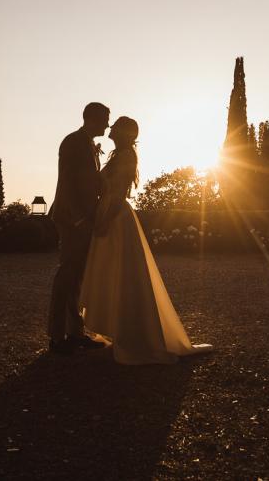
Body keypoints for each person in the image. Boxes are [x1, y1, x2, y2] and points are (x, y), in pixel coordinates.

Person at [79, 116, 212, 364]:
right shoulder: (119, 155)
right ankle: (118, 328)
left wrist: (105, 219)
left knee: (123, 273)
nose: (110, 128)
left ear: (125, 133)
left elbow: (118, 192)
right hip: (109, 211)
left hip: (115, 215)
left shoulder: (127, 156)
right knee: (112, 271)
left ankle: (132, 334)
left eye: (115, 126)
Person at [46, 101, 111, 355]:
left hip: (83, 217)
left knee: (77, 276)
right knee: (67, 273)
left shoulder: (87, 144)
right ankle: (57, 335)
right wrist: (78, 218)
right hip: (73, 218)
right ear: (93, 118)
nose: (108, 124)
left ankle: (74, 332)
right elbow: (69, 181)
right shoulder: (73, 142)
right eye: (106, 118)